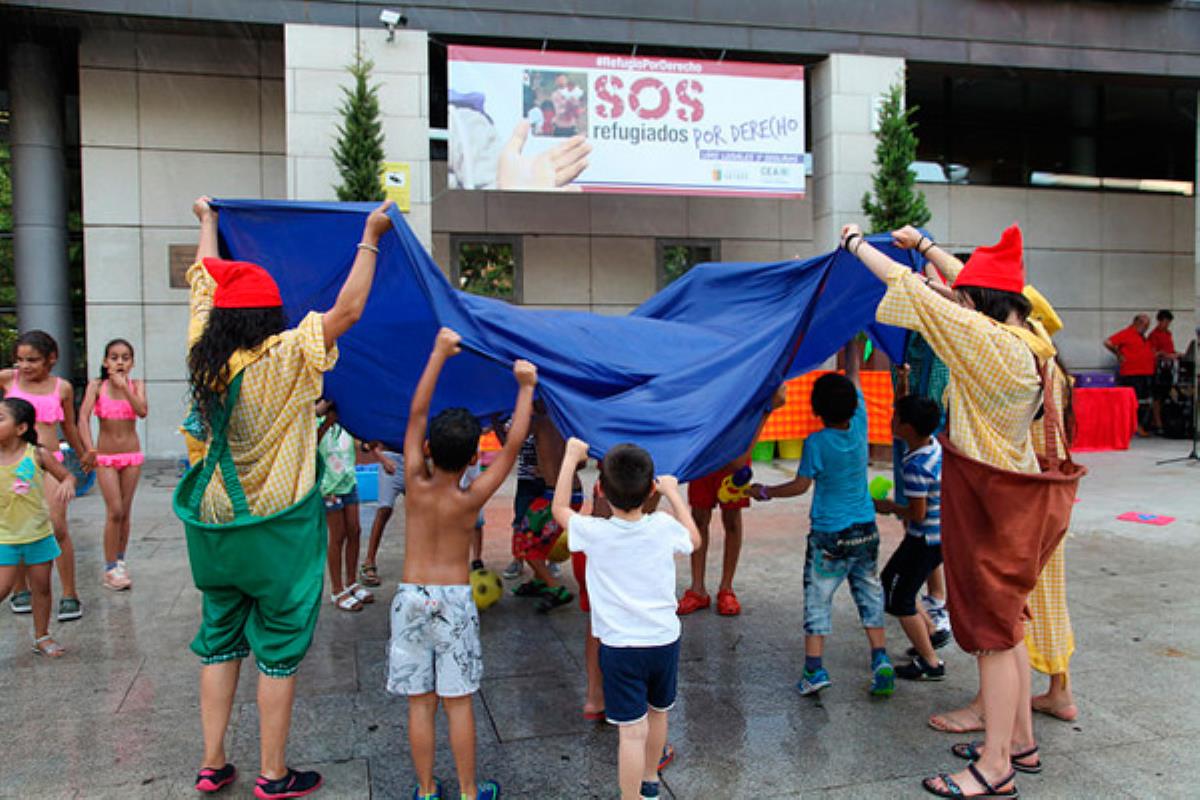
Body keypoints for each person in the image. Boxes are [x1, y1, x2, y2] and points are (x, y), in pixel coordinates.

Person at [845, 221, 1073, 798]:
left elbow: (911, 290)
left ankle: (994, 769)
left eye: (966, 296)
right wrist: (925, 245)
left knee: (993, 639)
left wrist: (855, 245)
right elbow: (954, 289)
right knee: (1012, 630)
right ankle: (1019, 742)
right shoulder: (1034, 339)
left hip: (988, 503)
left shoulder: (986, 343)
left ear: (979, 304)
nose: (958, 298)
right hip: (1021, 500)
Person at [182, 195, 393, 798]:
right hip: (277, 525)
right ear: (270, 314)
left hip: (217, 522)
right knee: (276, 646)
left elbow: (203, 281)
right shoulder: (286, 354)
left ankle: (213, 761)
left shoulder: (206, 352)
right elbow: (348, 309)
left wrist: (209, 223)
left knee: (219, 639)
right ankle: (273, 773)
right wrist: (371, 234)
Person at [387, 326, 536, 800]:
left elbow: (415, 414)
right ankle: (470, 792)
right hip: (454, 601)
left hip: (410, 598)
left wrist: (438, 353)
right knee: (457, 703)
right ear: (475, 456)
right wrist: (526, 388)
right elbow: (513, 446)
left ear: (428, 448)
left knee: (420, 703)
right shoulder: (472, 496)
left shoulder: (414, 479)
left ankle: (428, 790)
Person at [553, 437, 700, 800]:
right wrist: (674, 494)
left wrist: (571, 458)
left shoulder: (594, 532)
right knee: (659, 713)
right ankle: (650, 780)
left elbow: (559, 509)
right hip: (664, 640)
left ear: (600, 488)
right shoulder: (664, 526)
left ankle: (631, 796)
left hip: (620, 648)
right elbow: (694, 540)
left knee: (631, 732)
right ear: (652, 487)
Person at [751, 341, 894, 698]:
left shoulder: (816, 443)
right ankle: (881, 661)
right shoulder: (860, 422)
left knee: (818, 599)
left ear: (816, 410)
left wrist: (765, 492)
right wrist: (851, 343)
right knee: (869, 594)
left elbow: (800, 486)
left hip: (829, 535)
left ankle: (814, 670)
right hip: (865, 529)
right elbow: (854, 376)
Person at [678, 385, 787, 617]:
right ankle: (697, 589)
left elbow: (739, 461)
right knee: (699, 518)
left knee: (732, 520)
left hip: (734, 454)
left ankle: (726, 588)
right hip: (704, 455)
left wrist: (768, 405)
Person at [1, 330, 87, 621]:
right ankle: (19, 588)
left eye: (33, 360)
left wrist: (84, 454)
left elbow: (71, 426)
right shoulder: (8, 379)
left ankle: (69, 593)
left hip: (46, 460)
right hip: (12, 462)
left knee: (57, 524)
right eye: (20, 359)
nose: (25, 366)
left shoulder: (61, 387)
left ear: (51, 359)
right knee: (14, 523)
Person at [875, 395, 945, 681]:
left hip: (924, 539)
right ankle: (930, 630)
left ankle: (931, 662)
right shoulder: (934, 447)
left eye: (897, 417)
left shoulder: (916, 467)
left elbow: (916, 513)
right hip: (934, 536)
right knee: (890, 577)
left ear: (908, 427)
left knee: (900, 600)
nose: (892, 421)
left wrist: (889, 506)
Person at [0, 397, 76, 657]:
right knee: (3, 587)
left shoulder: (38, 454)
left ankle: (41, 636)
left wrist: (67, 484)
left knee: (42, 587)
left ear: (21, 428)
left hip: (38, 533)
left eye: (1, 418)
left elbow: (66, 475)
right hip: (4, 536)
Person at [78, 338, 148, 591]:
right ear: (105, 362)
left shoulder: (136, 385)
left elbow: (142, 411)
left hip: (131, 455)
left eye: (125, 357)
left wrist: (125, 388)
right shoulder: (97, 386)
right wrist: (90, 450)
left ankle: (119, 562)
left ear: (132, 362)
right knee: (115, 510)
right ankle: (109, 567)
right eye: (115, 357)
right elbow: (83, 419)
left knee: (125, 511)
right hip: (105, 457)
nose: (120, 362)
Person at [511, 411, 579, 612]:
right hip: (572, 492)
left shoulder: (540, 421)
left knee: (524, 543)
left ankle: (555, 588)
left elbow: (512, 442)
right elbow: (582, 462)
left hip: (554, 495)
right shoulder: (567, 421)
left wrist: (497, 418)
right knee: (539, 540)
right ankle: (539, 580)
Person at [316, 400, 372, 612]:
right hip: (328, 485)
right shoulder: (317, 417)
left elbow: (356, 441)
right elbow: (311, 443)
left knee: (355, 531)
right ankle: (337, 589)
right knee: (337, 536)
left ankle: (351, 581)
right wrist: (327, 421)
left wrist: (368, 446)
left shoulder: (347, 418)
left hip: (348, 480)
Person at [1105, 313, 1155, 436]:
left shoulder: (1142, 336)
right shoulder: (1127, 333)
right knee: (1134, 401)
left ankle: (1140, 424)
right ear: (1137, 323)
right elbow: (1108, 342)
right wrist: (1119, 354)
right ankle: (1135, 425)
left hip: (1145, 372)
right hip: (1132, 373)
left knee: (1144, 401)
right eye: (1145, 325)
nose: (1147, 328)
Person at [359, 442, 401, 588]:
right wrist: (383, 459)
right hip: (390, 458)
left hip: (415, 458)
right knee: (384, 509)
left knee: (422, 514)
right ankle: (369, 561)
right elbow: (368, 442)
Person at [1149, 309, 1180, 433]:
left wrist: (1176, 354)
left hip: (1169, 368)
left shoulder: (1168, 334)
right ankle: (1157, 422)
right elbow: (1153, 353)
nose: (1167, 325)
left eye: (1168, 322)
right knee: (1158, 396)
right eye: (1165, 322)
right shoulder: (1154, 335)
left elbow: (1170, 350)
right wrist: (1164, 354)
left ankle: (1158, 420)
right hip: (1158, 369)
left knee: (1166, 394)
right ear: (1159, 321)